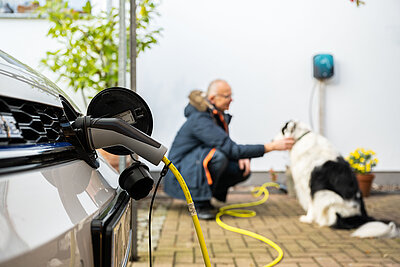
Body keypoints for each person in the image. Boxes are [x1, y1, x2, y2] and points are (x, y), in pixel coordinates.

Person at [163, 79, 294, 219]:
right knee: (218, 157)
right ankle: (200, 203)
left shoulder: (213, 115)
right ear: (213, 98)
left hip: (191, 165)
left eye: (231, 96)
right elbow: (229, 149)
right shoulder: (200, 120)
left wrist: (242, 156)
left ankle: (205, 197)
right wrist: (271, 146)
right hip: (178, 174)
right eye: (227, 96)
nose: (231, 100)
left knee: (239, 168)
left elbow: (226, 145)